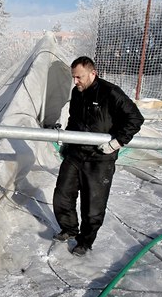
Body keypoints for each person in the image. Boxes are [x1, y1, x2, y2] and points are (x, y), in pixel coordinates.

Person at [52, 56, 144, 256]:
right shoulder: (77, 92)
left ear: (93, 73)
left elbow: (135, 118)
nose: (75, 82)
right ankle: (69, 229)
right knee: (62, 196)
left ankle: (85, 241)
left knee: (93, 205)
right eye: (73, 77)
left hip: (100, 157)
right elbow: (74, 119)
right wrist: (67, 142)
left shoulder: (110, 93)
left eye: (79, 77)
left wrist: (117, 142)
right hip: (76, 153)